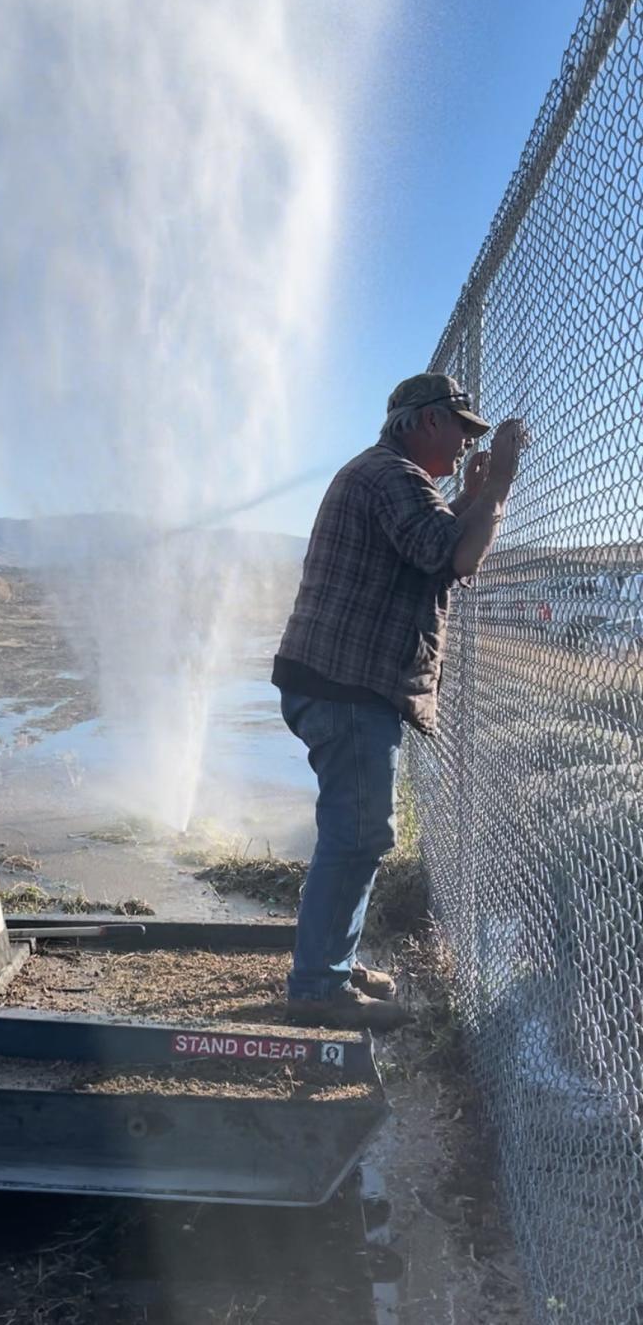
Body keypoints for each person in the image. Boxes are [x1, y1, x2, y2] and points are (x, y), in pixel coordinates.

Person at [272, 373, 525, 1029]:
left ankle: (327, 961)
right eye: (461, 429)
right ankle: (317, 988)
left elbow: (437, 547)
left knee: (353, 833)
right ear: (423, 421)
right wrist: (494, 487)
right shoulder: (394, 476)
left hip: (336, 682)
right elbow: (456, 557)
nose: (467, 443)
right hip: (347, 687)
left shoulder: (389, 475)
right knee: (359, 833)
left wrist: (470, 496)